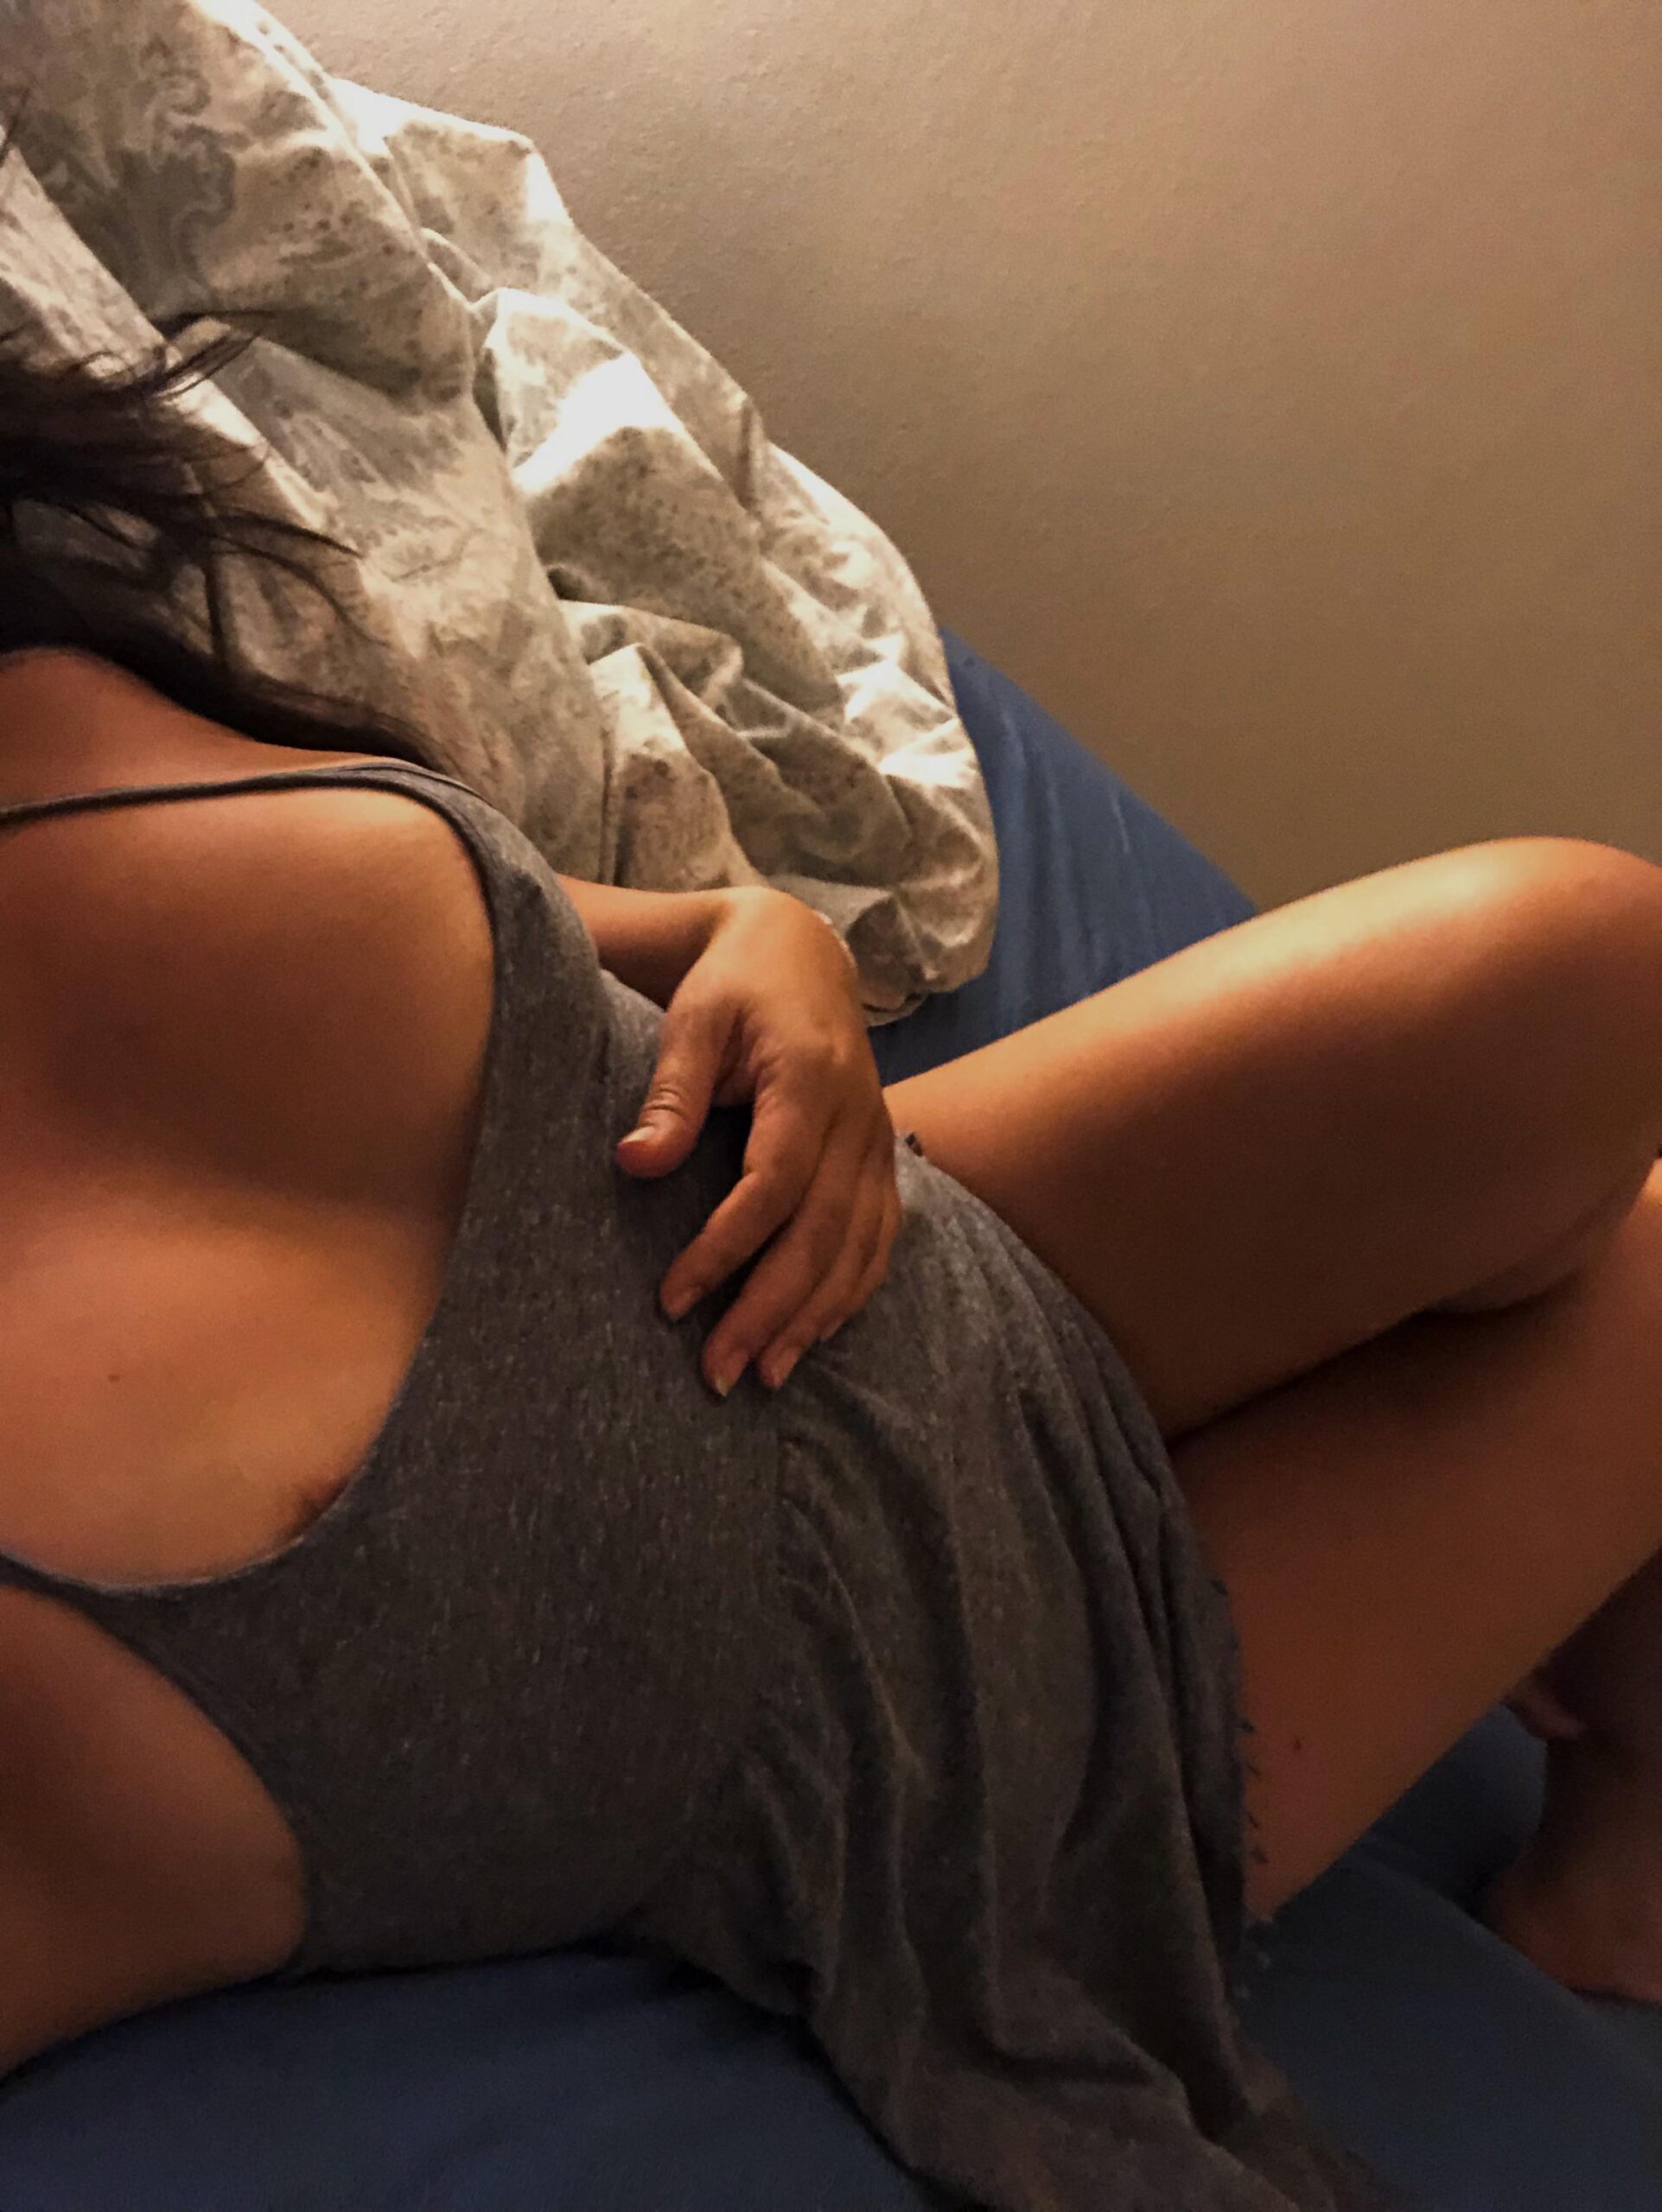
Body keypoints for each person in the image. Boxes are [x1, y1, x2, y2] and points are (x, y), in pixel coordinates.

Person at [1, 334, 1659, 2212]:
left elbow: (569, 929)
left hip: (907, 1221)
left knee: (1590, 971)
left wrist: (752, 936)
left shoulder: (36, 668)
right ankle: (1623, 1858)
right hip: (953, 1754)